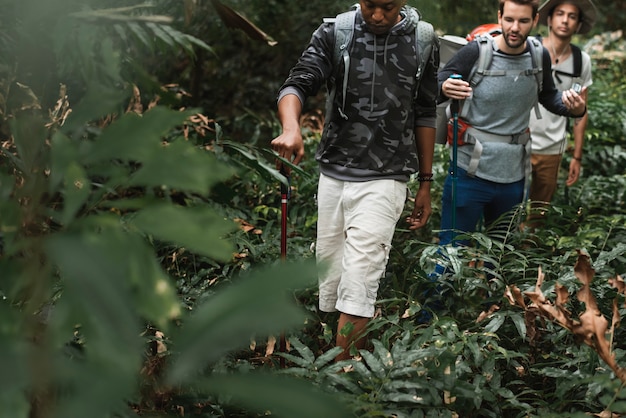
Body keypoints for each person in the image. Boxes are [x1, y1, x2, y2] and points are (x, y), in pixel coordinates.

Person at [271, 0, 439, 360]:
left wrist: (424, 182)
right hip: (334, 173)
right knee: (331, 280)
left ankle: (340, 379)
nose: (377, 15)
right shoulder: (337, 32)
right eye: (370, 5)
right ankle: (339, 355)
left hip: (386, 177)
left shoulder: (423, 40)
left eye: (388, 7)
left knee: (360, 281)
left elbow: (425, 111)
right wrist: (291, 129)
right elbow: (297, 83)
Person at [432, 0, 587, 249]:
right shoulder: (477, 52)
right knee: (452, 253)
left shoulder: (539, 55)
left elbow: (548, 96)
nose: (515, 28)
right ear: (500, 17)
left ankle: (491, 290)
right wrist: (443, 86)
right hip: (468, 173)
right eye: (509, 20)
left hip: (513, 176)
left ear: (535, 21)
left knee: (502, 254)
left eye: (523, 21)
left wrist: (575, 108)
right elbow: (438, 81)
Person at [527, 0, 596, 221]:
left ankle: (530, 250)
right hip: (518, 142)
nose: (565, 20)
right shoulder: (530, 48)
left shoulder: (580, 61)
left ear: (578, 25)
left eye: (572, 16)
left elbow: (581, 111)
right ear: (549, 18)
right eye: (560, 14)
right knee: (508, 207)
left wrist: (577, 155)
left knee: (539, 211)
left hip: (552, 147)